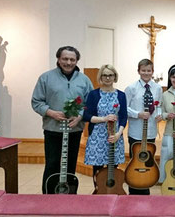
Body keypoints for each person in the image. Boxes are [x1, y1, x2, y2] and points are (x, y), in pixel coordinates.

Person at [31, 46, 93, 194]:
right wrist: (51, 112)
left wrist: (79, 116)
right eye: (65, 59)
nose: (68, 62)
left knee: (70, 165)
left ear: (77, 60)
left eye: (72, 59)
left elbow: (90, 103)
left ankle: (69, 197)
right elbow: (36, 102)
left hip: (74, 130)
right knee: (52, 164)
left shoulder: (84, 80)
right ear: (58, 59)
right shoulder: (46, 78)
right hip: (53, 130)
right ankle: (48, 197)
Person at [82, 64, 127, 181]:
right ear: (100, 77)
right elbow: (86, 116)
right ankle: (98, 193)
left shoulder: (121, 95)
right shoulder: (93, 94)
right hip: (97, 136)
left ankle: (112, 192)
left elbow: (123, 117)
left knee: (113, 168)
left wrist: (118, 134)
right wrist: (104, 119)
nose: (108, 78)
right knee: (98, 169)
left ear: (114, 77)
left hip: (115, 136)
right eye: (105, 75)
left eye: (110, 75)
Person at [125, 58, 162, 195]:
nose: (146, 73)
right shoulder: (131, 88)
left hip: (150, 130)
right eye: (143, 70)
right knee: (136, 160)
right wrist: (137, 114)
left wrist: (159, 114)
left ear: (152, 72)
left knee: (147, 161)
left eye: (149, 71)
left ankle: (145, 186)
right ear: (138, 71)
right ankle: (134, 189)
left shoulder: (157, 88)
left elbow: (159, 105)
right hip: (136, 130)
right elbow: (125, 108)